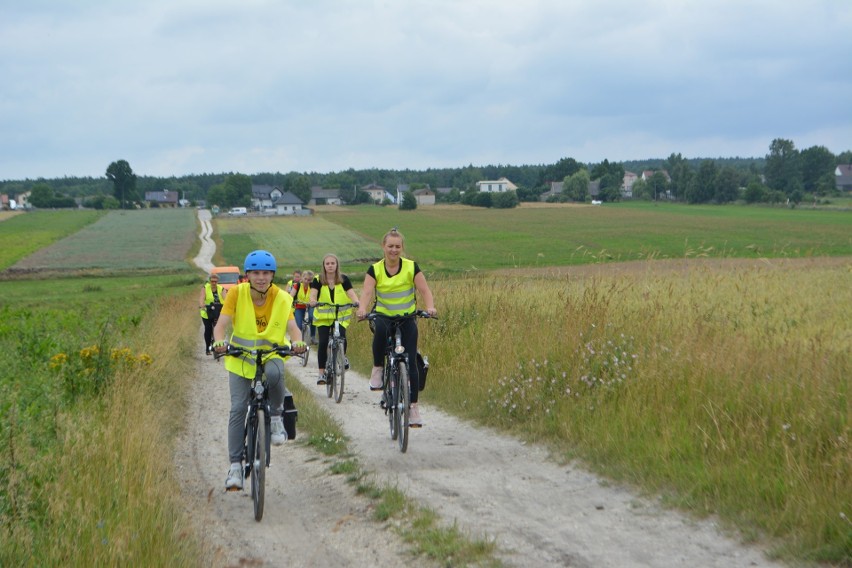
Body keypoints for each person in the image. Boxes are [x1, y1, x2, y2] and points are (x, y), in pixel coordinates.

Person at [212, 250, 306, 490]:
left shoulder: (282, 297)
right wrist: (220, 342)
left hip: (271, 354)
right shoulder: (236, 293)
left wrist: (297, 342)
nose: (261, 277)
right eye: (256, 273)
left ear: (272, 275)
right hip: (241, 358)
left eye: (265, 273)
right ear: (248, 275)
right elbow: (221, 325)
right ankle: (234, 466)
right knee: (238, 408)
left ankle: (275, 417)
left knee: (275, 375)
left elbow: (293, 327)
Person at [356, 228, 437, 427]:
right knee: (381, 333)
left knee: (411, 362)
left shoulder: (411, 267)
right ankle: (377, 369)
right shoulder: (375, 269)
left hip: (407, 317)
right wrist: (362, 309)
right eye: (390, 246)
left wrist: (430, 307)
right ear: (383, 247)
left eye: (397, 247)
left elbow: (424, 290)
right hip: (384, 315)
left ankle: (413, 408)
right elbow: (367, 292)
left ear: (402, 248)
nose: (394, 250)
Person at [309, 254, 359, 386]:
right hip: (324, 317)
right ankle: (321, 374)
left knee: (342, 337)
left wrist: (356, 302)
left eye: (333, 263)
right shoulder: (318, 279)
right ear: (324, 266)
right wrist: (313, 301)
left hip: (340, 315)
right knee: (323, 342)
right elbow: (313, 294)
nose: (330, 266)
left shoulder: (344, 279)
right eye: (327, 263)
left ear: (337, 265)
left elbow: (351, 293)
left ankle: (343, 357)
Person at [199, 272, 226, 355]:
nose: (214, 283)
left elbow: (226, 299)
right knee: (208, 329)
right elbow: (202, 298)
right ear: (209, 281)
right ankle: (207, 348)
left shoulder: (221, 289)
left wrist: (228, 305)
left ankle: (219, 346)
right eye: (212, 281)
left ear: (218, 281)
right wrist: (202, 305)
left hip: (218, 311)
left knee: (218, 329)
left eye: (215, 281)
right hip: (207, 312)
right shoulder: (205, 288)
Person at [290, 269, 316, 344]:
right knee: (298, 324)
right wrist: (291, 300)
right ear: (302, 278)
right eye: (305, 279)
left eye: (309, 280)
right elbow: (291, 295)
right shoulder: (297, 285)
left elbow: (315, 295)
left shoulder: (312, 286)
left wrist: (313, 301)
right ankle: (298, 340)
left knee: (312, 317)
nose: (306, 281)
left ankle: (312, 336)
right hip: (299, 306)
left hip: (309, 306)